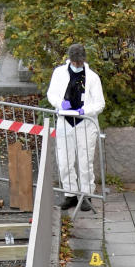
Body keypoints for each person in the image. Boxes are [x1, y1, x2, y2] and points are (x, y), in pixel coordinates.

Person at [46, 44, 105, 212]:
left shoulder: (92, 78)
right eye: (75, 62)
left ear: (84, 60)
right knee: (64, 161)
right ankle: (70, 194)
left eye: (80, 62)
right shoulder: (59, 73)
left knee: (85, 162)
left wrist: (84, 111)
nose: (77, 65)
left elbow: (100, 103)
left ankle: (86, 195)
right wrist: (60, 104)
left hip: (85, 123)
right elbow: (52, 94)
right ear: (70, 60)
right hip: (65, 121)